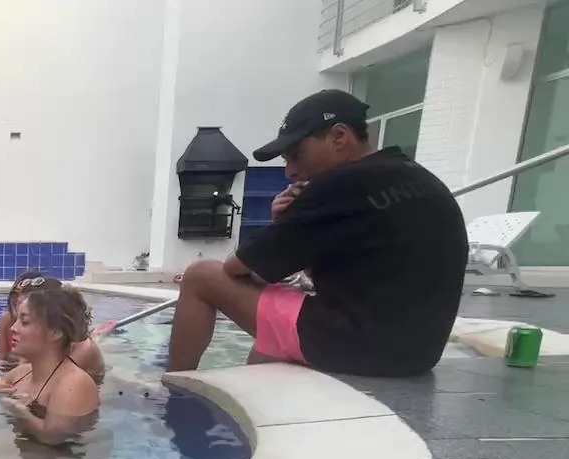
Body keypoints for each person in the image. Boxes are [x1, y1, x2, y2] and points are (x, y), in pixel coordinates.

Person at [166, 89, 468, 377]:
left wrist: (280, 224)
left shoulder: (339, 183)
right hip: (417, 354)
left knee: (201, 276)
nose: (290, 171)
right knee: (268, 345)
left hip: (361, 348)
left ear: (339, 137)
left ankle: (172, 386)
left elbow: (237, 268)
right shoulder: (421, 179)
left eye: (297, 154)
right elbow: (332, 272)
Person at [0, 286, 100, 445]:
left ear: (55, 332)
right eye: (16, 320)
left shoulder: (74, 384)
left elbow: (53, 437)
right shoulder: (21, 373)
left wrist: (21, 414)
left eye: (25, 322)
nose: (13, 328)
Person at [0, 271, 105, 380]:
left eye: (25, 320)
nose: (13, 328)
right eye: (17, 305)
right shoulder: (36, 348)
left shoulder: (81, 351)